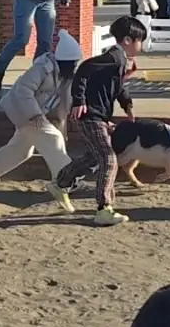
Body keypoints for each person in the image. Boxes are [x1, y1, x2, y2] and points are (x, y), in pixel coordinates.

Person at [52, 16, 146, 227]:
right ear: (128, 40)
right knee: (108, 158)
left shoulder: (120, 60)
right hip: (90, 115)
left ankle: (60, 183)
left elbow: (118, 86)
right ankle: (104, 209)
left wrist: (127, 104)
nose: (141, 46)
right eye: (140, 41)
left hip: (99, 116)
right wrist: (79, 100)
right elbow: (84, 69)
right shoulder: (114, 57)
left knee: (94, 157)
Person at [0, 30, 82, 200]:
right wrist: (34, 114)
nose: (75, 65)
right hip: (23, 110)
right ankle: (66, 179)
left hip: (38, 113)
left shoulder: (66, 75)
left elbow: (65, 100)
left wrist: (65, 119)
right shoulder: (42, 68)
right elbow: (23, 90)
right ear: (64, 61)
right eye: (73, 62)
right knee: (53, 139)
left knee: (22, 150)